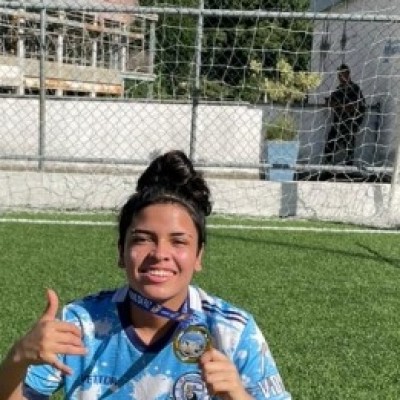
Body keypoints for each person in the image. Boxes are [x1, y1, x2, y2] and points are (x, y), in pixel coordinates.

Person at [0, 150, 291, 400]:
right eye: (142, 239)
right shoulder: (80, 324)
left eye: (178, 242)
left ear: (199, 256)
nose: (160, 253)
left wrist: (238, 395)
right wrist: (18, 357)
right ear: (121, 251)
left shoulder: (233, 331)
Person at [324, 64, 366, 165]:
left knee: (349, 143)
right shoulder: (338, 89)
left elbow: (355, 107)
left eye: (342, 74)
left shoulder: (355, 89)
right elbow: (329, 102)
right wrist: (334, 104)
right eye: (339, 75)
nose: (340, 77)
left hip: (350, 123)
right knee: (330, 142)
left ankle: (349, 167)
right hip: (338, 122)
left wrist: (340, 106)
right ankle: (327, 165)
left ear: (348, 74)